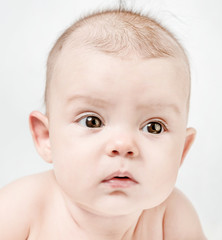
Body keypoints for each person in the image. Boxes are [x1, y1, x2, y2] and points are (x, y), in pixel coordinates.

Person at [0, 8, 206, 239]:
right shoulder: (19, 210)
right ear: (46, 137)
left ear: (182, 151)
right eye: (92, 121)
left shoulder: (172, 218)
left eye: (153, 127)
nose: (123, 145)